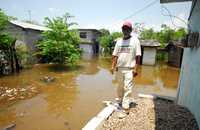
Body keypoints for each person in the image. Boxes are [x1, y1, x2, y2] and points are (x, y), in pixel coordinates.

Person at [111, 21, 141, 118]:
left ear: (131, 30)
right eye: (124, 28)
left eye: (127, 29)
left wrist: (136, 69)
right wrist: (112, 66)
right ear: (122, 30)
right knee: (120, 86)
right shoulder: (119, 41)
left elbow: (138, 56)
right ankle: (120, 100)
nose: (125, 30)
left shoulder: (135, 40)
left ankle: (125, 108)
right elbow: (115, 55)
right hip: (119, 68)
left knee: (127, 88)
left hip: (130, 68)